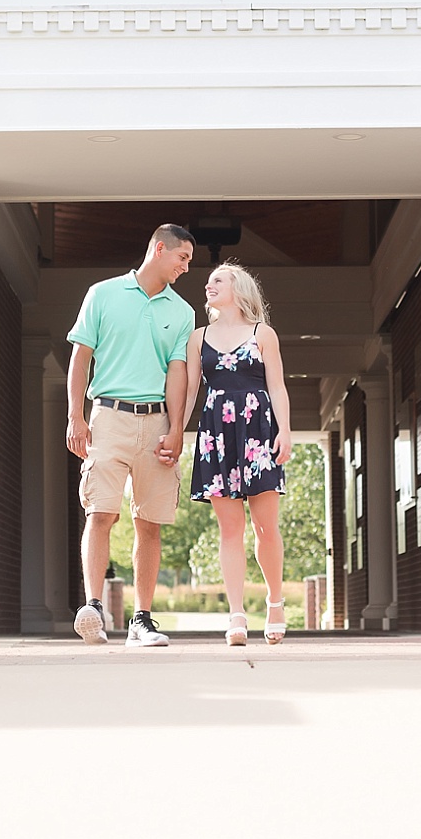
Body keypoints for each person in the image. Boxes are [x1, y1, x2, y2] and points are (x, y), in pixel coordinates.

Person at [66, 224, 196, 648]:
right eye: (182, 258)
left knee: (150, 523)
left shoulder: (182, 311)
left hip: (156, 423)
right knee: (100, 513)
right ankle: (94, 609)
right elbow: (80, 356)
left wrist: (177, 430)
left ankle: (142, 620)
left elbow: (178, 372)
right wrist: (76, 416)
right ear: (160, 249)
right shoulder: (102, 294)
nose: (186, 268)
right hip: (108, 417)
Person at [183, 262, 293, 647]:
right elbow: (191, 390)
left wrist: (285, 431)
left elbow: (277, 387)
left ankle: (275, 603)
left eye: (218, 280)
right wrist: (176, 434)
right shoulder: (198, 338)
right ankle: (236, 615)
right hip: (217, 434)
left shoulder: (264, 334)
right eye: (208, 281)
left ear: (238, 288)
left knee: (266, 527)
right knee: (230, 529)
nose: (208, 285)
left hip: (259, 432)